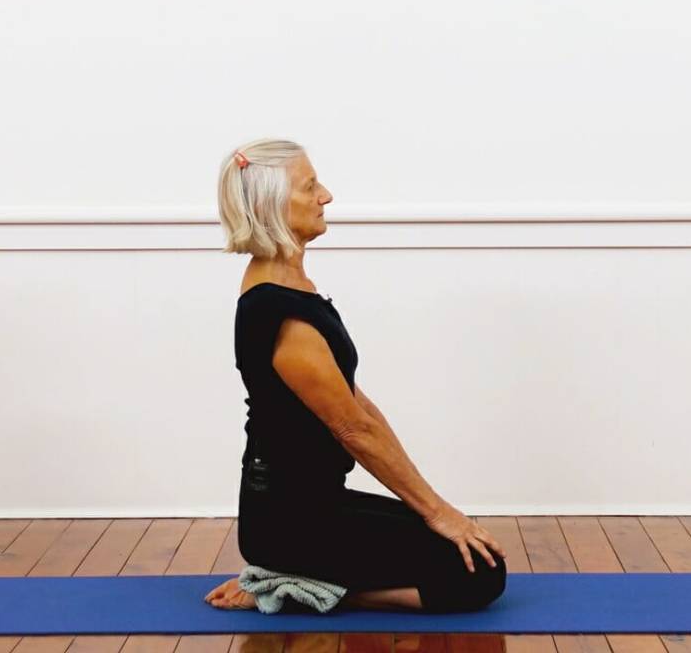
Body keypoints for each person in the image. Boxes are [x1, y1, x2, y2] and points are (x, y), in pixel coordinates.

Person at [203, 138, 508, 614]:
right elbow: (352, 430)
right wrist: (437, 512)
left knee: (468, 554)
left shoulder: (290, 288)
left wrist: (435, 507)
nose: (325, 195)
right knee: (479, 576)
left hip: (312, 507)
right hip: (290, 523)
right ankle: (288, 585)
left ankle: (292, 575)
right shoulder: (280, 312)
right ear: (272, 205)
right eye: (310, 186)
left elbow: (360, 408)